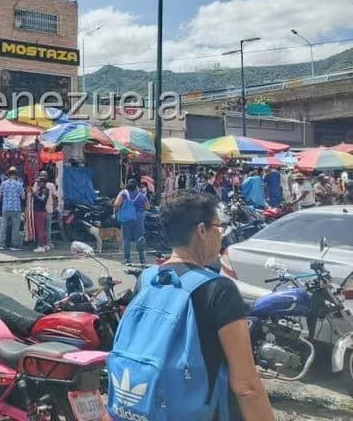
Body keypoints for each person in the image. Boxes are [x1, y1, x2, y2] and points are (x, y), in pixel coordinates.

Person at [113, 192, 274, 421]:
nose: (221, 234)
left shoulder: (148, 279)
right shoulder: (219, 289)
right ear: (202, 230)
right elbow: (246, 386)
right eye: (219, 226)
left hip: (153, 408)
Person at [114, 179, 148, 265]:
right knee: (139, 239)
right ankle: (142, 259)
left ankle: (127, 259)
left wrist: (117, 210)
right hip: (139, 219)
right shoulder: (141, 194)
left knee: (126, 239)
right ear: (137, 186)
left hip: (127, 219)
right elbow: (147, 206)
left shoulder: (123, 193)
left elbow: (116, 204)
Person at [0, 167, 25, 251]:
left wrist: (5, 199)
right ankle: (14, 245)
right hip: (16, 208)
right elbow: (23, 197)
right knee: (15, 227)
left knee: (4, 226)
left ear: (8, 174)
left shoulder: (4, 183)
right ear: (16, 175)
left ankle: (2, 244)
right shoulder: (19, 184)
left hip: (6, 207)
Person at [31, 175, 51, 253]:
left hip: (40, 211)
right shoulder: (40, 189)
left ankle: (41, 246)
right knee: (42, 229)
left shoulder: (45, 190)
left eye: (39, 182)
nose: (38, 183)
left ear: (43, 182)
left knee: (40, 229)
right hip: (40, 211)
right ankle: (45, 244)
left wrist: (35, 195)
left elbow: (42, 199)